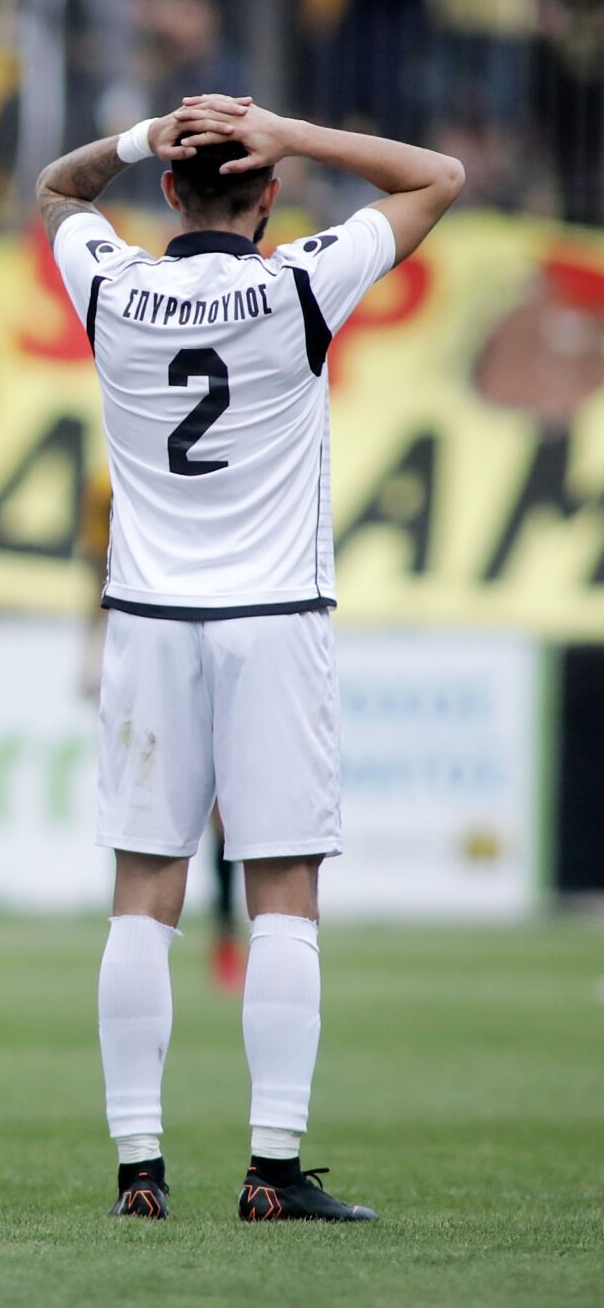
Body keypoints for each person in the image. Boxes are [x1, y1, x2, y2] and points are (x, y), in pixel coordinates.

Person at [37, 95, 463, 1220]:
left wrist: (142, 135)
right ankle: (272, 1170)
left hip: (146, 617)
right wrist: (294, 129)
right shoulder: (300, 284)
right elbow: (438, 176)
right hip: (273, 614)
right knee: (281, 890)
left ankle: (138, 1171)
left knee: (142, 892)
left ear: (168, 191)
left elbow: (55, 189)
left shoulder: (110, 284)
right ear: (268, 193)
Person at [78, 465, 244, 994]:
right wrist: (90, 651)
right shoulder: (108, 482)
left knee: (223, 813)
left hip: (223, 626)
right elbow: (99, 573)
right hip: (153, 643)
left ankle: (224, 939)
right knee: (146, 808)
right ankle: (141, 939)